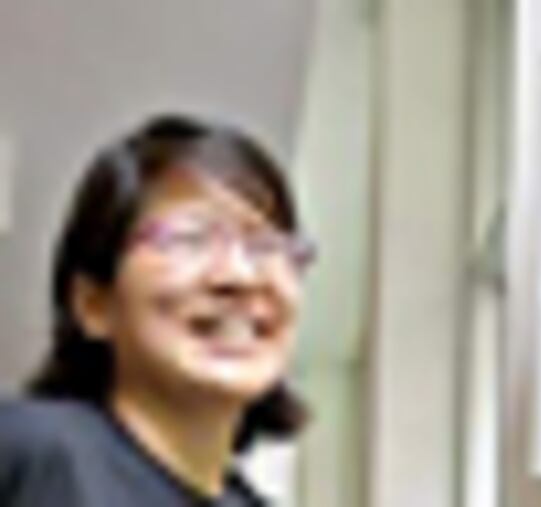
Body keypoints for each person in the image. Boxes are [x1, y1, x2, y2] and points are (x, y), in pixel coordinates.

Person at [0, 114, 316, 506]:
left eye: (265, 245)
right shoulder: (35, 452)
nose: (239, 275)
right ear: (94, 304)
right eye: (191, 238)